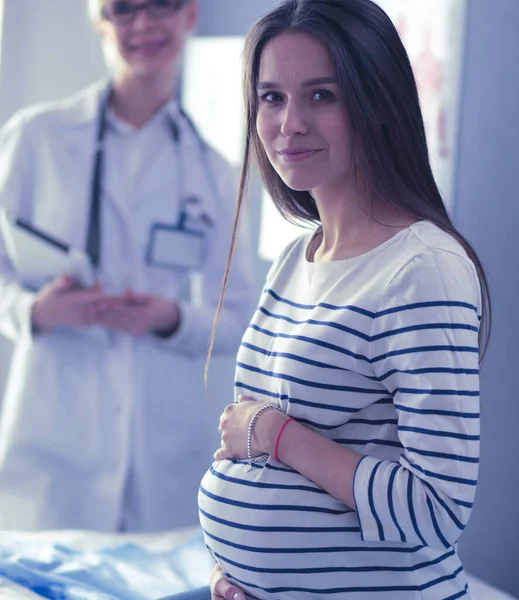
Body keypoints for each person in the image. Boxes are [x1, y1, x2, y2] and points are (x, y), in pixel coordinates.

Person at [179, 0, 491, 598]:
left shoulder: (422, 268)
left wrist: (278, 435)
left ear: (374, 103)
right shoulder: (297, 258)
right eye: (271, 97)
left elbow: (438, 508)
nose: (289, 123)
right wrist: (230, 570)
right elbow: (253, 467)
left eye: (321, 95)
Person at [0, 0, 254, 532]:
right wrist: (35, 311)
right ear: (97, 20)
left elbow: (236, 315)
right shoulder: (35, 140)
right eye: (122, 8)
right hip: (54, 449)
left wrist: (171, 318)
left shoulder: (216, 173)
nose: (143, 24)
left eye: (161, 5)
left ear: (190, 14)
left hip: (164, 455)